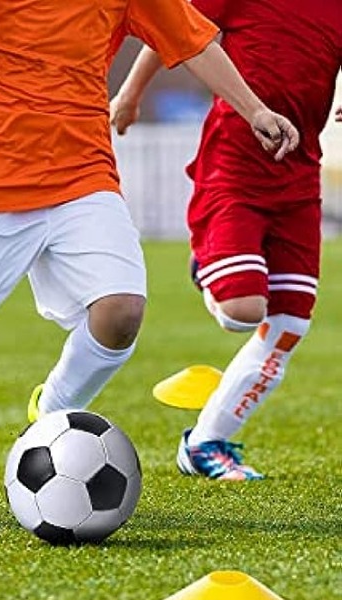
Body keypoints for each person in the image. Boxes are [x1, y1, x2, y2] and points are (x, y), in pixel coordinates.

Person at [0, 0, 299, 524]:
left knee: (121, 311)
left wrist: (256, 111)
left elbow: (192, 40)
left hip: (82, 172)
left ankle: (51, 407)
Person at [111, 0, 342, 481]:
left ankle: (205, 442)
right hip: (233, 170)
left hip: (300, 177)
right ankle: (215, 268)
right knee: (243, 313)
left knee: (289, 326)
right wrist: (131, 94)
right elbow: (174, 29)